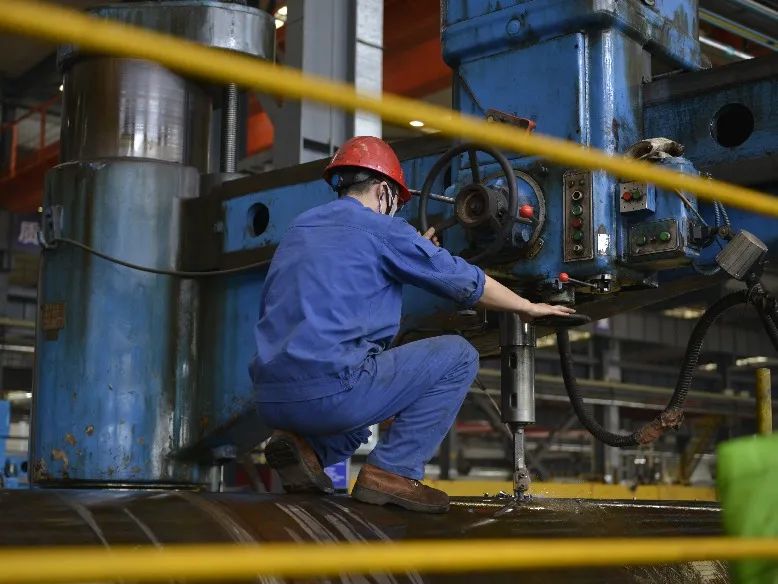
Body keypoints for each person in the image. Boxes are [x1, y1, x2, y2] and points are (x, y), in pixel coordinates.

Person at [251, 136, 574, 513]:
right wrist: (525, 307)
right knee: (459, 356)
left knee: (365, 407)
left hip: (270, 400)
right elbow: (464, 281)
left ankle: (308, 451)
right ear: (384, 191)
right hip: (333, 395)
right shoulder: (384, 230)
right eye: (396, 204)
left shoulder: (299, 228)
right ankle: (393, 471)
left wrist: (412, 248)